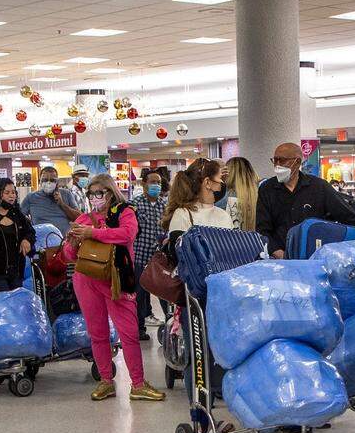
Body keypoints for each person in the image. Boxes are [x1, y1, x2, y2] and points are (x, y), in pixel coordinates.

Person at [64, 174, 164, 402]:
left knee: (129, 333)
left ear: (110, 192)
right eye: (91, 194)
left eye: (99, 193)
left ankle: (137, 383)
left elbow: (127, 234)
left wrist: (93, 233)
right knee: (97, 333)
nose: (95, 198)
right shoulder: (82, 219)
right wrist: (71, 241)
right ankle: (106, 381)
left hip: (117, 279)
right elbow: (69, 257)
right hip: (86, 281)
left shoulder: (125, 212)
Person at [255, 142, 355, 258]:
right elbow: (262, 229)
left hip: (313, 260)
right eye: (274, 160)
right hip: (279, 260)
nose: (277, 165)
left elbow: (350, 218)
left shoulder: (319, 187)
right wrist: (279, 254)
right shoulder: (267, 189)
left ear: (297, 162)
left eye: (281, 160)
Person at [132, 168, 167, 340]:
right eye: (153, 182)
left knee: (164, 293)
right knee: (139, 294)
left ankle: (170, 326)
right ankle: (139, 328)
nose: (156, 185)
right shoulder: (136, 204)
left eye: (159, 183)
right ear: (144, 184)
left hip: (159, 257)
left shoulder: (165, 205)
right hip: (140, 255)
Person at [163, 158, 235, 242]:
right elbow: (180, 252)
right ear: (207, 182)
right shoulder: (183, 214)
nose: (223, 183)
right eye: (220, 178)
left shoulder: (224, 215)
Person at [20, 165, 81, 234]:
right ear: (40, 181)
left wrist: (62, 204)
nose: (48, 183)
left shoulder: (66, 194)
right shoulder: (31, 197)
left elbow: (79, 218)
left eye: (52, 180)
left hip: (65, 241)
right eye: (45, 180)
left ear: (57, 182)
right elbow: (19, 217)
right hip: (41, 242)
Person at [221, 156, 260, 230]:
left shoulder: (222, 197)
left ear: (229, 174)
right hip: (255, 240)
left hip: (228, 240)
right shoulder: (262, 195)